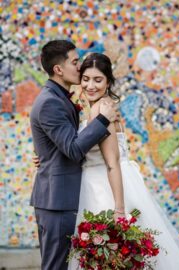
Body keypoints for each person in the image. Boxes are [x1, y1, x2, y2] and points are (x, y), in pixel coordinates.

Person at [67, 53, 179, 270]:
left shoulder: (102, 111)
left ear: (108, 82)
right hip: (98, 184)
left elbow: (112, 163)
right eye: (86, 79)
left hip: (105, 190)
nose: (90, 85)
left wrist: (119, 210)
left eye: (98, 80)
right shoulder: (104, 106)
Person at [30, 40, 118, 270]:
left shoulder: (60, 97)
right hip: (57, 201)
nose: (79, 68)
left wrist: (45, 155)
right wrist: (102, 120)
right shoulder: (51, 102)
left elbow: (60, 143)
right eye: (75, 62)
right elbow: (73, 148)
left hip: (62, 198)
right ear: (59, 69)